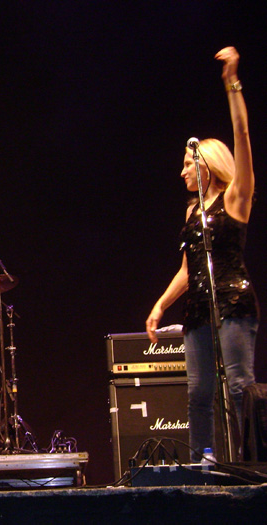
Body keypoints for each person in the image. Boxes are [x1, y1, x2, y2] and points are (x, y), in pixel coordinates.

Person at [145, 47, 259, 462]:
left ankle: (253, 463)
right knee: (198, 393)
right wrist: (160, 305)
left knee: (239, 386)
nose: (182, 173)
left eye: (186, 166)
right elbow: (186, 269)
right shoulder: (191, 212)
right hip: (198, 309)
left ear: (206, 164)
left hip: (232, 300)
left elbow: (242, 134)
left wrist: (232, 83)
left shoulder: (236, 198)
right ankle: (202, 465)